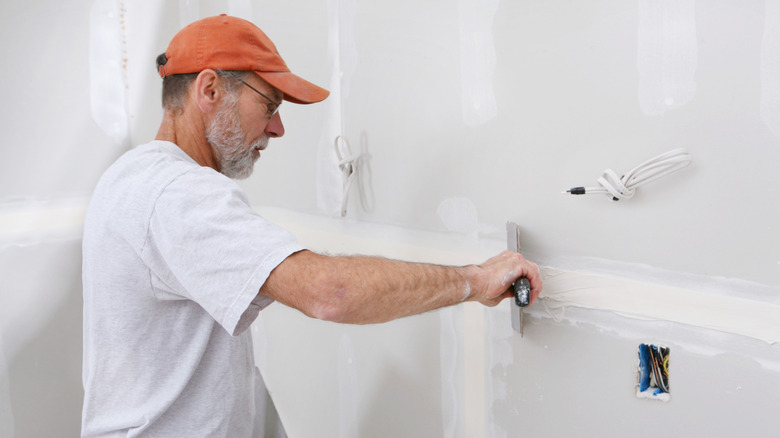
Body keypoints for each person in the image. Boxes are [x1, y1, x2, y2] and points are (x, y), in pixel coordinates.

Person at [81, 14, 542, 438]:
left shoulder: (134, 177)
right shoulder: (178, 195)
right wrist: (474, 280)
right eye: (270, 105)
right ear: (209, 90)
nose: (278, 128)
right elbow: (331, 292)